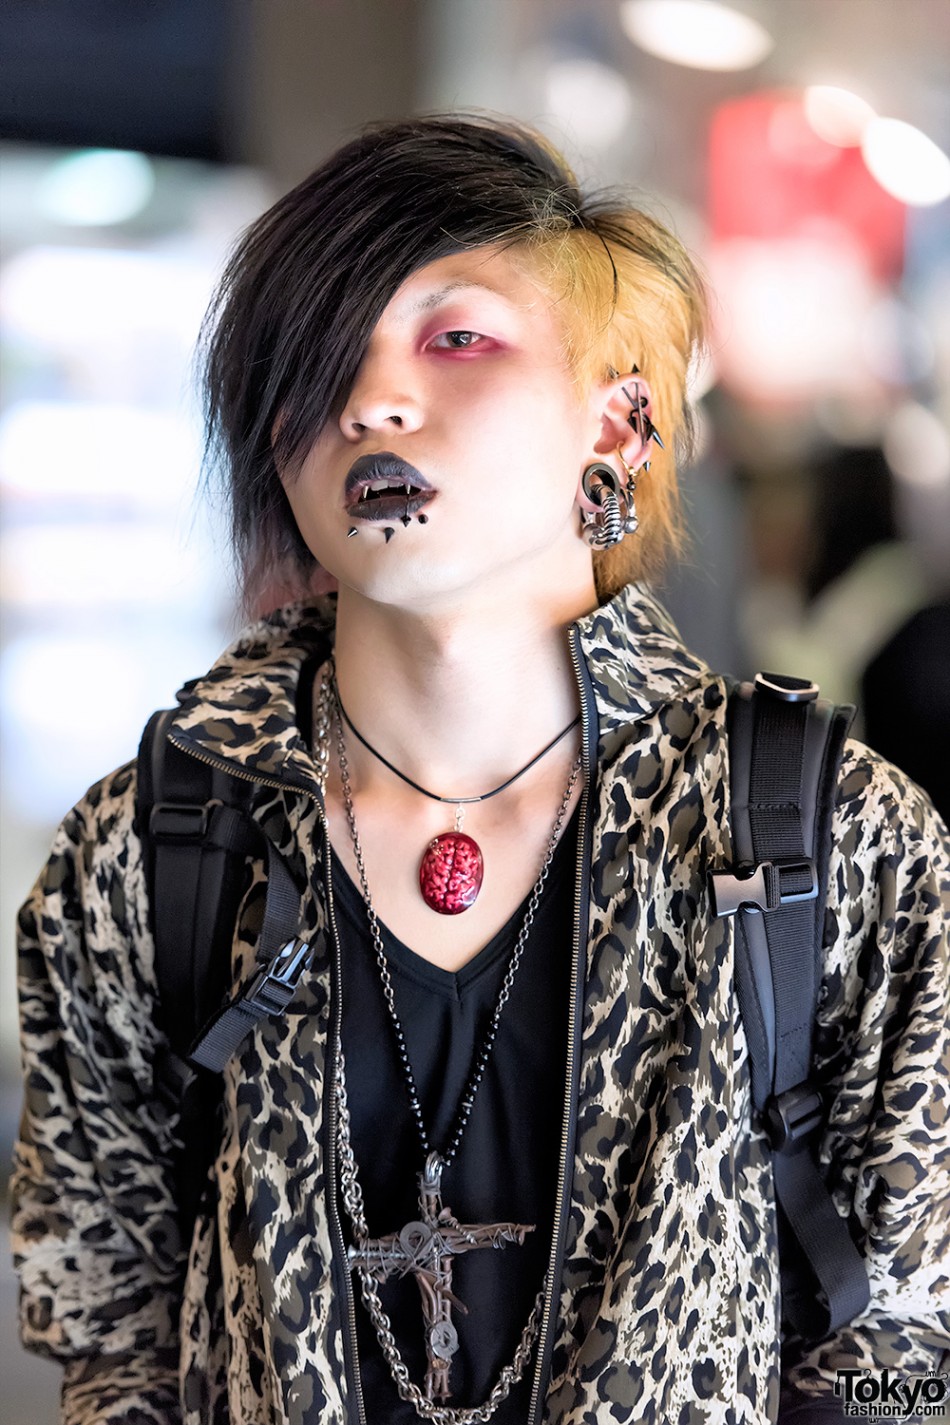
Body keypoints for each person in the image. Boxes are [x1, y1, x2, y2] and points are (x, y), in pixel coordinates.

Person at [11, 114, 949, 1425]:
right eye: (316, 359)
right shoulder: (154, 847)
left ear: (618, 423)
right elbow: (107, 1329)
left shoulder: (820, 839)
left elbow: (909, 1335)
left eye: (456, 339)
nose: (370, 398)